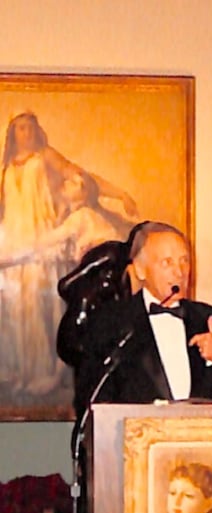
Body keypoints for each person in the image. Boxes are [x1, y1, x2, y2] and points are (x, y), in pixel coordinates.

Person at [0, 111, 137, 400]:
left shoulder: (45, 157)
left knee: (39, 307)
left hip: (41, 240)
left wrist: (120, 194)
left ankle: (44, 371)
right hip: (17, 239)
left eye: (28, 127)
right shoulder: (7, 167)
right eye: (18, 128)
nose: (24, 133)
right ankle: (21, 372)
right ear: (12, 134)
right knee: (16, 309)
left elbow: (85, 178)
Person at [76, 221, 212, 407]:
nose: (180, 272)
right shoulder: (111, 322)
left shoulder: (209, 319)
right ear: (141, 270)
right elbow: (90, 397)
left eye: (185, 260)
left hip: (201, 435)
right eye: (167, 262)